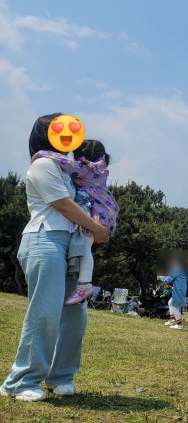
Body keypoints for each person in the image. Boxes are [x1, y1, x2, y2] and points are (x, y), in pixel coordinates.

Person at [1, 114, 109, 402]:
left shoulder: (65, 168)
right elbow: (62, 204)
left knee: (75, 316)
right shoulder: (43, 164)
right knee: (45, 312)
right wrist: (97, 227)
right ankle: (20, 381)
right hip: (44, 239)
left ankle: (61, 376)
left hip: (70, 243)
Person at [33, 140, 118, 306]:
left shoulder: (85, 168)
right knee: (85, 244)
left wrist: (40, 153)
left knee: (85, 246)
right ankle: (81, 281)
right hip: (105, 209)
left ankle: (84, 285)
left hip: (97, 212)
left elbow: (62, 161)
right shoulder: (100, 167)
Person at [160, 253, 188, 330]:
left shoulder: (176, 268)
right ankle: (172, 320)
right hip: (181, 288)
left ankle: (179, 325)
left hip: (178, 289)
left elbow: (168, 279)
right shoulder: (181, 269)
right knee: (170, 303)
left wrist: (161, 277)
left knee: (175, 306)